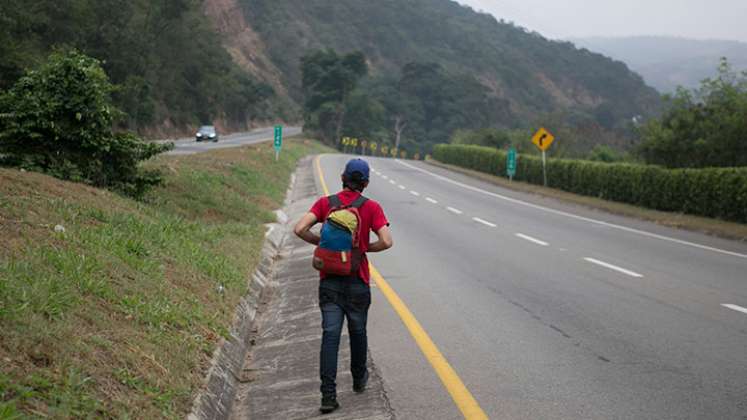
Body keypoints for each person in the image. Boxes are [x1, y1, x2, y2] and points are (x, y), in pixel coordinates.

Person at [293, 158, 393, 414]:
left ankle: (328, 396)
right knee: (358, 331)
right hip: (357, 281)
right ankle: (359, 379)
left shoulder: (326, 203)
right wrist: (361, 249)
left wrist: (321, 245)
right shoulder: (371, 207)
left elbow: (299, 228)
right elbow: (387, 241)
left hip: (329, 282)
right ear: (366, 183)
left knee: (330, 335)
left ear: (342, 178)